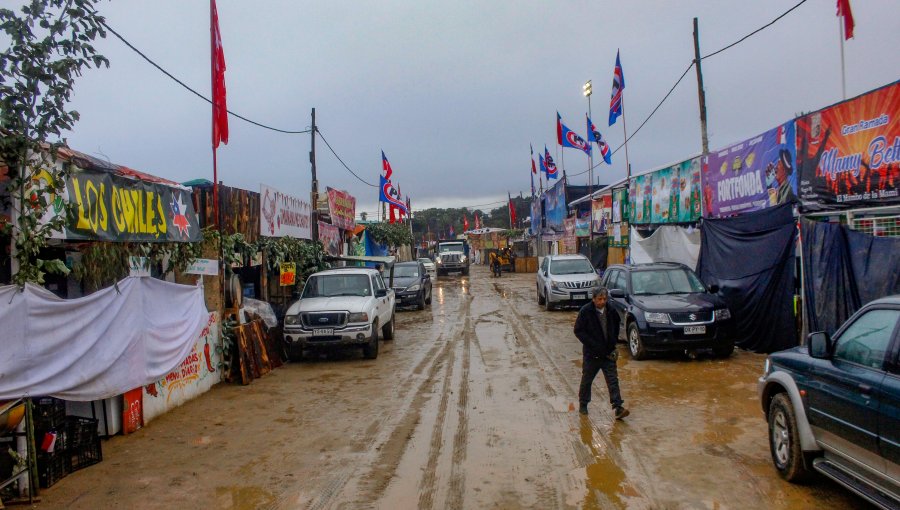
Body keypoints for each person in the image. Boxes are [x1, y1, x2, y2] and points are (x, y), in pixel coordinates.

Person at [573, 287, 629, 419]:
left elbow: (616, 327)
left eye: (604, 299)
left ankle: (618, 407)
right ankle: (583, 404)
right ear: (593, 299)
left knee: (613, 380)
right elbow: (578, 330)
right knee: (587, 380)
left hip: (608, 353)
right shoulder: (586, 312)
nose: (602, 301)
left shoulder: (611, 311)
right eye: (599, 299)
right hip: (592, 355)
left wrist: (613, 344)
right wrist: (592, 345)